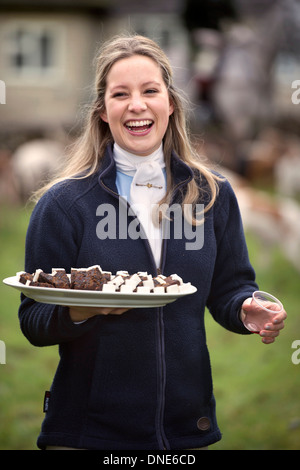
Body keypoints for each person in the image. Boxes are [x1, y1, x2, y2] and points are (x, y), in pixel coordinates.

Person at [18, 34, 287, 450]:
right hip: (88, 431)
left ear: (171, 103)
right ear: (103, 111)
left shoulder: (213, 194)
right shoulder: (63, 205)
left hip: (185, 428)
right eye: (120, 94)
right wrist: (81, 308)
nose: (137, 105)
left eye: (150, 91)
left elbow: (231, 288)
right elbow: (33, 320)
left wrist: (246, 308)